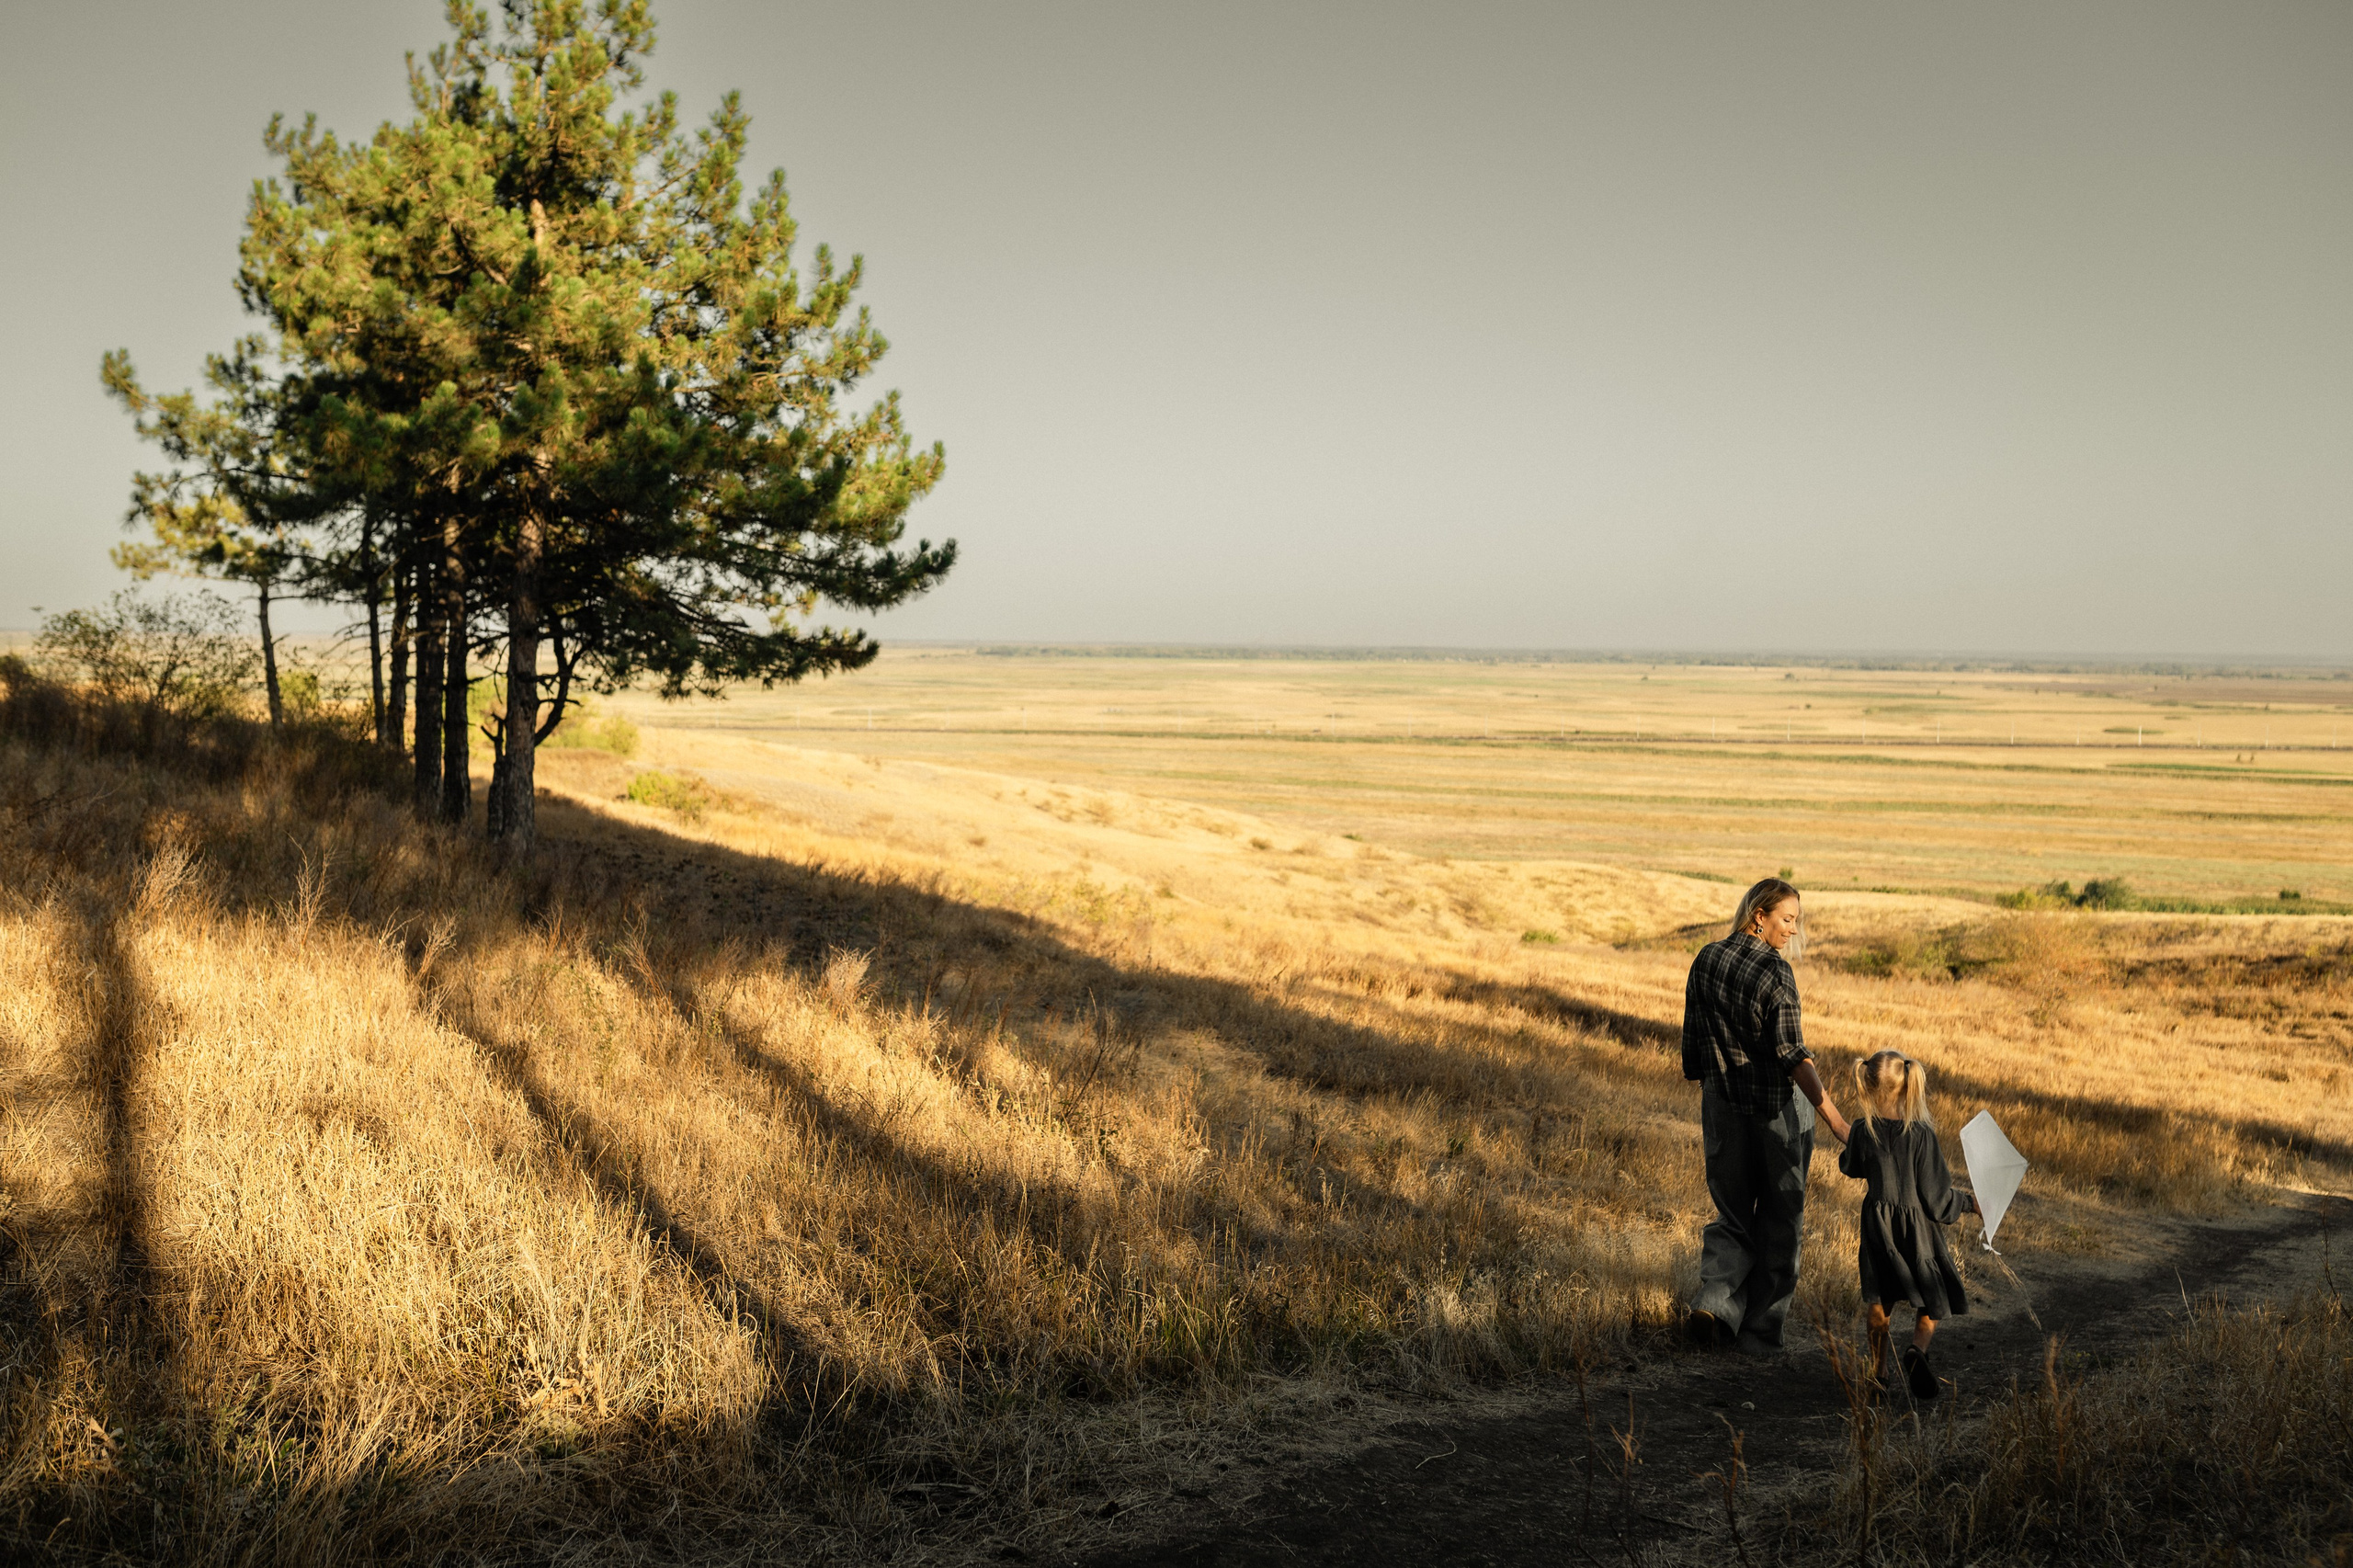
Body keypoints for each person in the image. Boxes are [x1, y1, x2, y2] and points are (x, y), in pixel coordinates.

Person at [1683, 877, 1850, 1356]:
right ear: (1760, 915)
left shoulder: (1707, 957)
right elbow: (1792, 1055)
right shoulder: (1776, 973)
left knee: (1732, 1213)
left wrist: (1712, 1084)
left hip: (1722, 1103)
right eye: (1788, 920)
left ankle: (1715, 1306)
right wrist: (1836, 1120)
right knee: (1782, 1219)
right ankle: (1758, 1334)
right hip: (1777, 1110)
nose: (1793, 931)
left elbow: (1694, 1037)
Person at [1837, 1051, 1977, 1400]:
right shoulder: (1922, 1135)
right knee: (1934, 1292)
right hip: (1919, 1231)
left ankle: (1879, 1374)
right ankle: (1917, 1350)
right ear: (1908, 1087)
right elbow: (1937, 1199)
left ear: (1867, 1087)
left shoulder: (1861, 1130)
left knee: (1878, 1298)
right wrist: (1967, 1202)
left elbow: (1850, 1167)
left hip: (1878, 1230)